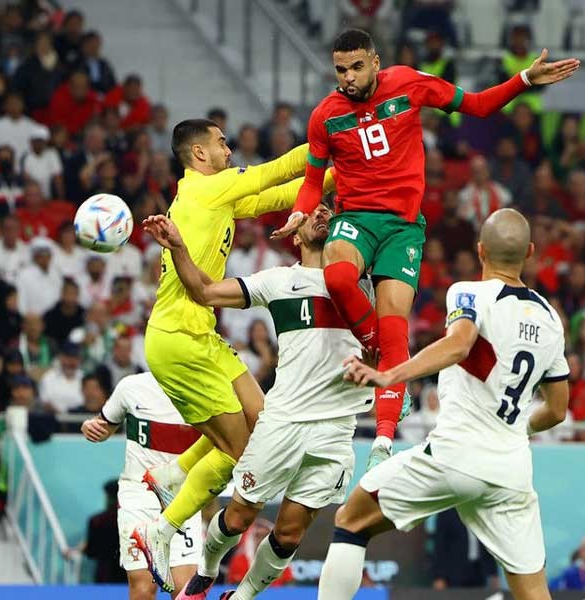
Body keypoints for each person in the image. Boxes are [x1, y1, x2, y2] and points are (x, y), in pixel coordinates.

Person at [272, 29, 578, 468]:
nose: (348, 77)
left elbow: (478, 105)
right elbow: (311, 182)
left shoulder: (409, 83)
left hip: (403, 229)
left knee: (396, 329)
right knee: (337, 277)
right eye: (340, 70)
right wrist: (301, 213)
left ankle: (382, 443)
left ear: (375, 62)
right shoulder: (325, 116)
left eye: (356, 67)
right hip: (356, 218)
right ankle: (376, 348)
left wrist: (525, 80)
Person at [317, 209, 571, 600]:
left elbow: (459, 344)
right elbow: (557, 410)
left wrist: (389, 375)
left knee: (352, 520)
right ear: (530, 253)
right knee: (534, 589)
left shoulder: (469, 293)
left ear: (480, 250)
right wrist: (519, 428)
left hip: (455, 456)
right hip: (511, 470)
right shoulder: (551, 319)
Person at [131, 118, 335, 593]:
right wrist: (332, 140)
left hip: (200, 334)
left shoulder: (213, 195)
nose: (229, 150)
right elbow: (276, 170)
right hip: (179, 340)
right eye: (222, 143)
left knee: (261, 421)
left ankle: (172, 474)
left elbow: (277, 197)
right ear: (199, 154)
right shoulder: (207, 189)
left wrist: (336, 177)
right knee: (245, 456)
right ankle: (161, 529)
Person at [141, 203, 374, 600]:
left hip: (337, 429)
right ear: (294, 233)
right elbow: (205, 291)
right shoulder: (279, 281)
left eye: (328, 211)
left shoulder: (363, 282)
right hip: (282, 421)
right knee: (237, 518)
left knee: (289, 534)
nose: (322, 214)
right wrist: (178, 248)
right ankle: (206, 571)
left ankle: (242, 596)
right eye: (312, 211)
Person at [80, 373, 203, 599]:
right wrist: (91, 427)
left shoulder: (205, 388)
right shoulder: (131, 386)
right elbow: (104, 426)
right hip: (138, 496)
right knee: (143, 589)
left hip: (184, 498)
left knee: (186, 591)